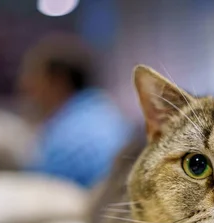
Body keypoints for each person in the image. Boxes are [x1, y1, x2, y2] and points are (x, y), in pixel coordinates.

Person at [18, 34, 131, 188]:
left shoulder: (65, 137)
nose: (25, 85)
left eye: (33, 76)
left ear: (58, 81)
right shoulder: (107, 113)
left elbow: (36, 193)